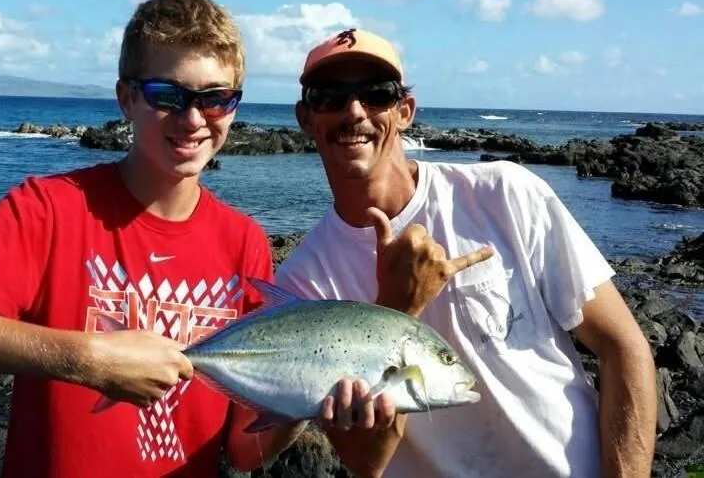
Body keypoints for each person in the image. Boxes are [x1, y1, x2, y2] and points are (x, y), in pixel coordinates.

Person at [0, 0, 443, 477]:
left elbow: (241, 451)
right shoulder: (51, 211)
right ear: (127, 99)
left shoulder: (245, 243)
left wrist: (308, 399)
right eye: (167, 96)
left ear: (234, 107)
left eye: (215, 99)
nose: (192, 120)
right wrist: (82, 358)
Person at [274, 27, 658, 478]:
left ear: (405, 112)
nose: (354, 111)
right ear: (305, 118)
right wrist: (398, 308)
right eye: (329, 97)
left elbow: (622, 346)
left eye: (375, 94)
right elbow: (365, 462)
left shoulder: (506, 194)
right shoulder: (304, 281)